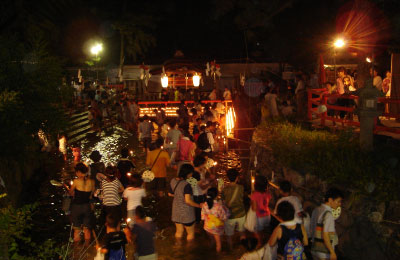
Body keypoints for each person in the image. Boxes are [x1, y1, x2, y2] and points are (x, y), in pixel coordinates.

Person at [168, 164, 202, 244]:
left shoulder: (173, 180)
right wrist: (199, 205)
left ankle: (178, 248)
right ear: (188, 173)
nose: (191, 175)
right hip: (187, 213)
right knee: (190, 233)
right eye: (191, 173)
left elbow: (170, 194)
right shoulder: (187, 185)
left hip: (176, 211)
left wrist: (179, 196)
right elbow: (188, 201)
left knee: (179, 231)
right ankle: (189, 250)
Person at [310, 188, 344, 260]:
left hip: (315, 249)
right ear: (330, 200)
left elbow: (312, 229)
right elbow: (325, 234)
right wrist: (332, 252)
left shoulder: (316, 210)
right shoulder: (329, 215)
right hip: (324, 253)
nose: (339, 204)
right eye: (338, 201)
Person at [67, 163, 95, 246]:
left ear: (79, 172)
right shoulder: (92, 182)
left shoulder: (76, 181)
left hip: (77, 207)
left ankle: (77, 249)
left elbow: (71, 193)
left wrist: (68, 189)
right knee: (87, 229)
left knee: (76, 229)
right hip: (87, 207)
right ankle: (87, 247)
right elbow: (91, 195)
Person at [222, 169, 246, 249]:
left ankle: (231, 250)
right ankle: (244, 249)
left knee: (229, 235)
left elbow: (223, 202)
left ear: (228, 178)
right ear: (237, 178)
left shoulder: (224, 189)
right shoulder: (241, 187)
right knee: (242, 233)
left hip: (230, 215)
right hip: (241, 213)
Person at [201, 187, 230, 253]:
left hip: (207, 227)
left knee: (212, 241)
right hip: (217, 228)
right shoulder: (219, 206)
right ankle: (218, 256)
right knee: (218, 244)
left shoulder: (204, 204)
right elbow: (224, 217)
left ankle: (210, 252)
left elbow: (202, 217)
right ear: (216, 195)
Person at [250, 175, 272, 247]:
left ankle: (259, 244)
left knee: (257, 231)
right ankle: (267, 242)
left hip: (260, 217)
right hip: (267, 215)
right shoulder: (268, 193)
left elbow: (254, 208)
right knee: (265, 230)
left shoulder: (254, 195)